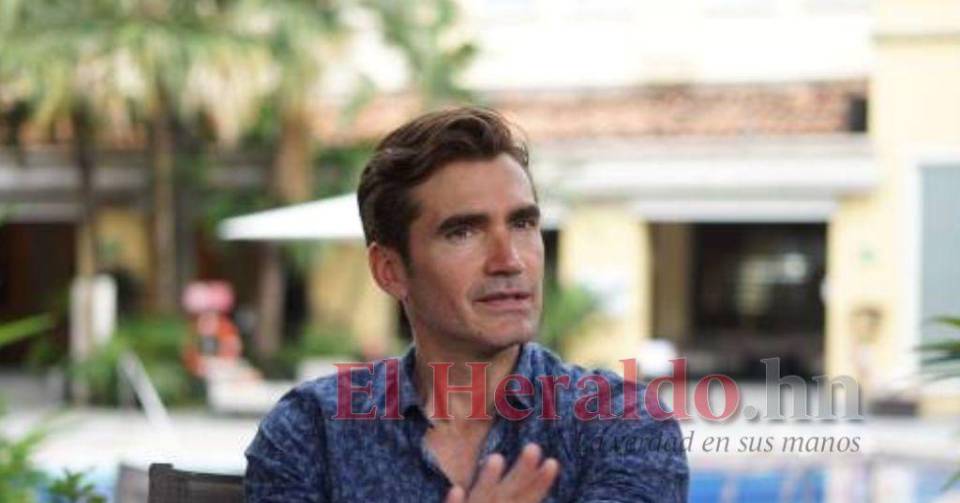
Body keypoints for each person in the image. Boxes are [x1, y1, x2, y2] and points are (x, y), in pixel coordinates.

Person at [245, 107, 689, 502]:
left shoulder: (622, 423)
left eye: (522, 224)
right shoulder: (312, 430)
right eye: (463, 232)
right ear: (390, 270)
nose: (509, 260)